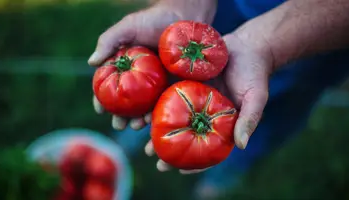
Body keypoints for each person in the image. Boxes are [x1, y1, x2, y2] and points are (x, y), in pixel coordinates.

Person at [89, 0, 349, 198]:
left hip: (322, 39)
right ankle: (141, 132)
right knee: (239, 112)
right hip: (223, 10)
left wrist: (268, 45)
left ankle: (229, 169)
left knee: (273, 113)